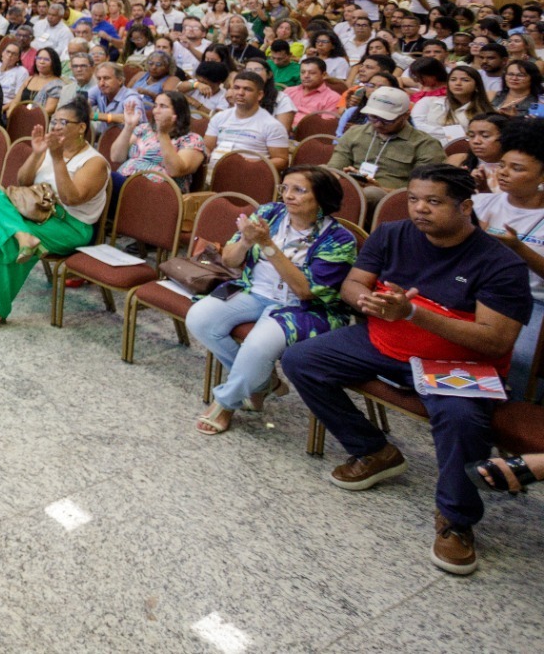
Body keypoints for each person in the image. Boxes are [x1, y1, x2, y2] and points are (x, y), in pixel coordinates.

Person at [283, 166, 532, 575]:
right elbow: (352, 283)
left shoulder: (499, 262)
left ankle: (456, 519)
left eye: (433, 202)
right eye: (414, 199)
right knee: (301, 360)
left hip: (457, 362)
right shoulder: (392, 233)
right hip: (384, 342)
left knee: (461, 418)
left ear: (465, 206)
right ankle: (373, 449)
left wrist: (414, 313)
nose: (419, 209)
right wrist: (366, 301)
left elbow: (494, 340)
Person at [187, 167, 357, 434]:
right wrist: (245, 241)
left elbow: (305, 291)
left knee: (257, 346)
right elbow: (230, 260)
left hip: (303, 307)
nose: (288, 196)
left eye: (299, 190)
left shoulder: (339, 240)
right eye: (285, 188)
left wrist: (267, 244)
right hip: (254, 290)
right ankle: (263, 382)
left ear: (322, 197)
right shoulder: (268, 213)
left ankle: (225, 403)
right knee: (199, 317)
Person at [0, 97, 109, 332]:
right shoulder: (49, 150)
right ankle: (23, 236)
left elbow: (70, 198)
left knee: (5, 238)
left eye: (63, 122)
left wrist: (57, 159)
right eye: (54, 121)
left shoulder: (95, 162)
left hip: (70, 225)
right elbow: (23, 181)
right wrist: (38, 154)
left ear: (81, 127)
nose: (55, 126)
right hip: (35, 212)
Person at [472, 117, 544, 401]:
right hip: (479, 288)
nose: (503, 173)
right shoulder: (481, 202)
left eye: (517, 169)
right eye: (502, 165)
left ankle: (515, 411)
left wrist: (518, 249)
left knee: (519, 357)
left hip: (534, 300)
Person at [327, 86, 445, 206]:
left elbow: (425, 191)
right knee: (316, 176)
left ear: (405, 115)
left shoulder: (425, 144)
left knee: (370, 193)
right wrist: (346, 178)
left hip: (393, 200)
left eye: (387, 120)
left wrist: (382, 189)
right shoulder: (355, 133)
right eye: (373, 117)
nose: (378, 124)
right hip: (352, 188)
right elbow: (334, 168)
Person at [109, 91, 206, 192]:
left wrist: (163, 134)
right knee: (103, 178)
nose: (156, 111)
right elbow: (116, 157)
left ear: (178, 112)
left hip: (159, 192)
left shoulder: (192, 139)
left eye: (163, 106)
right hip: (126, 181)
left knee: (105, 179)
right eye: (155, 106)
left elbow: (175, 170)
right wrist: (128, 127)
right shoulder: (144, 129)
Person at [204, 69, 291, 170]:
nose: (240, 93)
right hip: (214, 171)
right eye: (236, 88)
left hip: (249, 175)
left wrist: (255, 165)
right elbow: (207, 147)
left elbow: (282, 160)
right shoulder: (219, 117)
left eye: (247, 89)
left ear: (260, 95)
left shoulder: (272, 125)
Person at [412, 64, 493, 145]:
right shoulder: (427, 102)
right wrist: (456, 132)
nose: (458, 83)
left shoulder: (484, 112)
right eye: (453, 79)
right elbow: (417, 126)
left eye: (465, 80)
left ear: (477, 85)